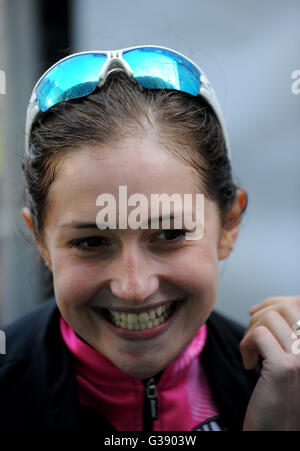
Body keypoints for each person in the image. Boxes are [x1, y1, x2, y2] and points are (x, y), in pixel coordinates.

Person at [0, 45, 300, 432]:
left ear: (229, 224)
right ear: (40, 241)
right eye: (91, 242)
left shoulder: (283, 386)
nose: (134, 288)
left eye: (170, 234)